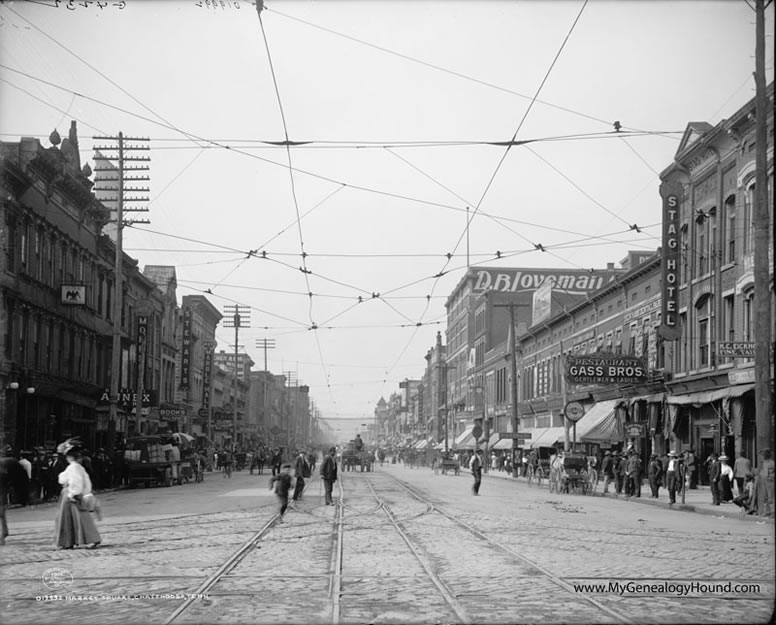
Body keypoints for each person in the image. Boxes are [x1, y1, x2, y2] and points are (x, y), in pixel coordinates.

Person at [55, 441, 101, 549]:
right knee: (75, 517)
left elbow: (76, 482)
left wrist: (73, 494)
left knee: (75, 517)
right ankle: (71, 541)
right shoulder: (77, 467)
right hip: (73, 492)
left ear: (70, 457)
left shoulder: (74, 467)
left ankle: (87, 539)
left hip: (71, 493)